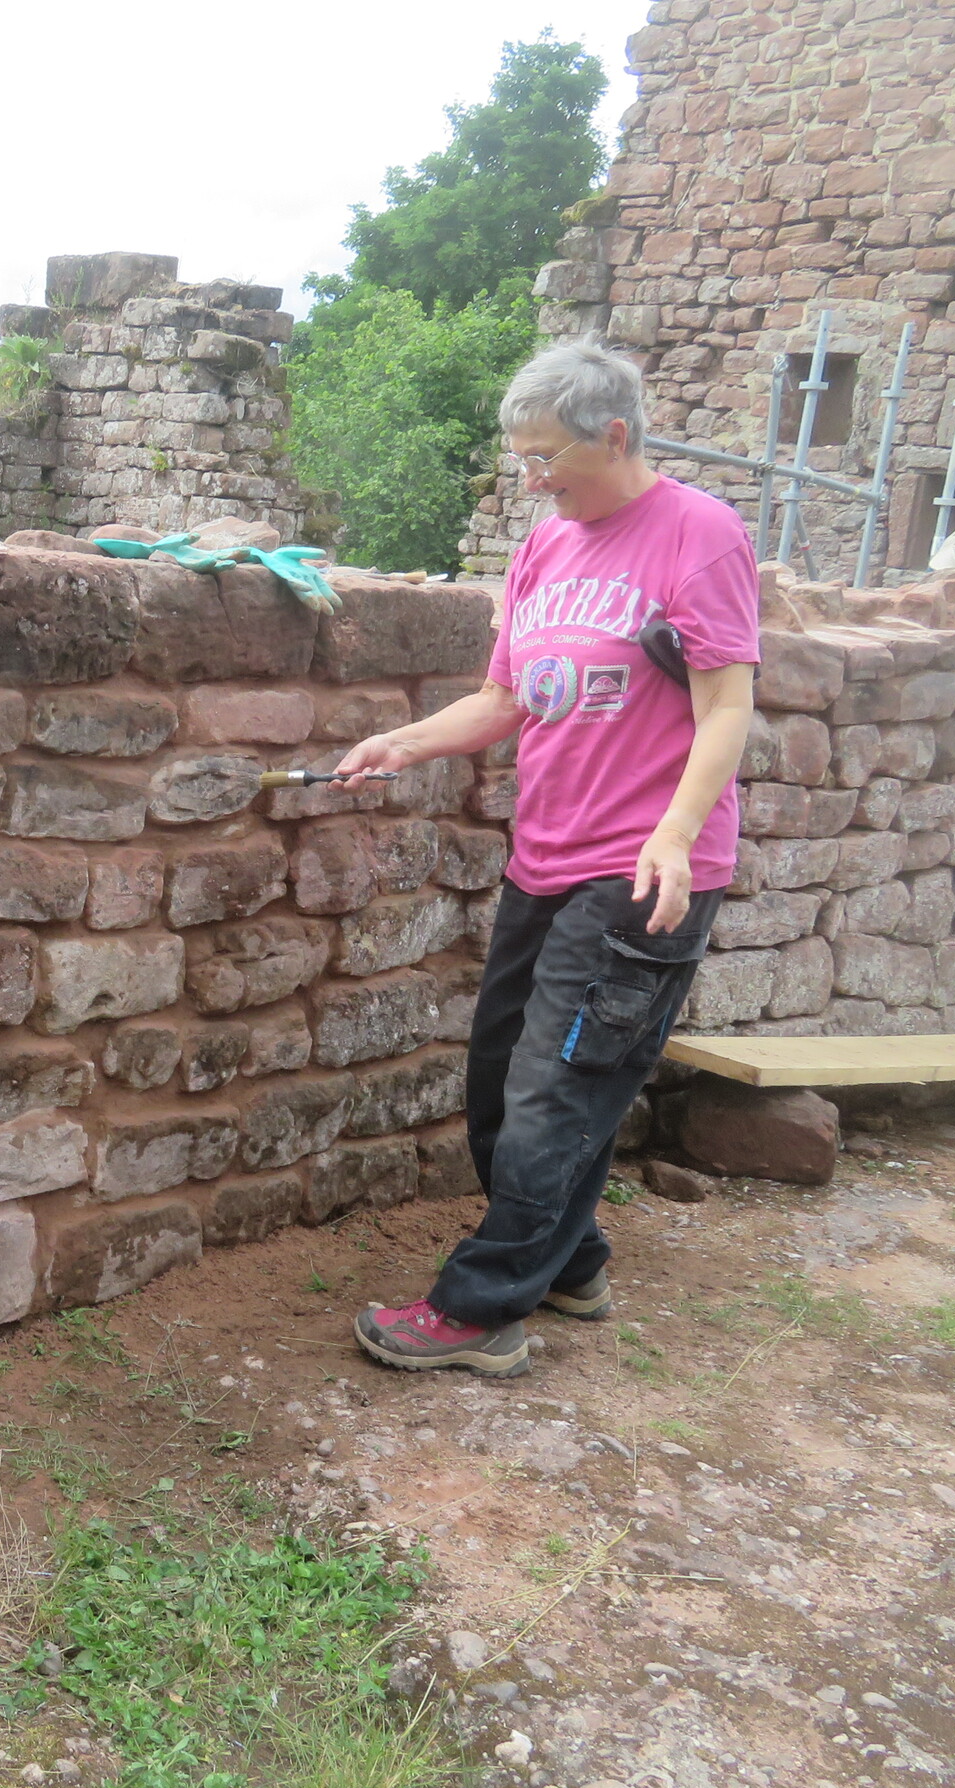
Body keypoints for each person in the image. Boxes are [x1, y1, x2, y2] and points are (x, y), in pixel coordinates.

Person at [333, 339, 759, 1378]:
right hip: (546, 858)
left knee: (555, 1094)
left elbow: (726, 707)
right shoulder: (544, 547)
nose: (531, 481)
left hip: (642, 872)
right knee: (499, 1086)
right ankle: (572, 1263)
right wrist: (403, 742)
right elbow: (505, 699)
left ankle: (482, 1309)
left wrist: (673, 831)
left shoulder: (699, 535)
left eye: (545, 458)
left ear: (613, 435)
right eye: (520, 460)